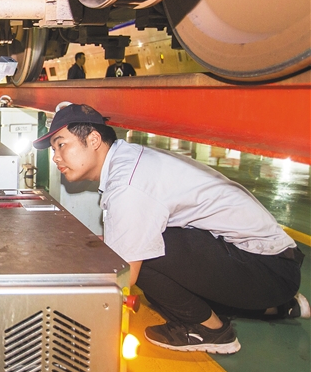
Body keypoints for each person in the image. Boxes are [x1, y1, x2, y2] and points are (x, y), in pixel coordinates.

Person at [33, 102, 308, 354]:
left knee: (144, 255)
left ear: (93, 140)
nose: (56, 157)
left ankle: (211, 331)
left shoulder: (127, 184)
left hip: (269, 270)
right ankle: (276, 307)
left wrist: (53, 294)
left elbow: (123, 274)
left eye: (61, 145)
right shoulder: (128, 158)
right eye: (54, 150)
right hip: (272, 264)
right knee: (146, 256)